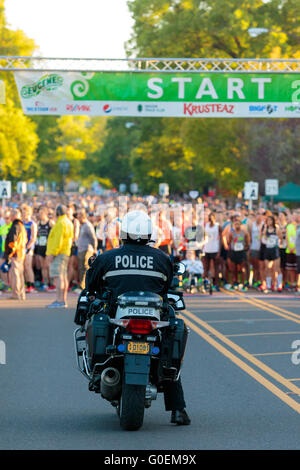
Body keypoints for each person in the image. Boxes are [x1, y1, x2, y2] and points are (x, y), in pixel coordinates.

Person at [84, 210, 191, 425]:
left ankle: (98, 371)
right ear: (150, 233)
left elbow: (90, 286)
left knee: (94, 317)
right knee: (167, 353)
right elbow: (169, 286)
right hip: (152, 318)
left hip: (119, 317)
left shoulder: (107, 257)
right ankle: (178, 410)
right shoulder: (162, 258)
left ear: (123, 233)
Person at [45, 205, 74, 308]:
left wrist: (52, 253)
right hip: (65, 252)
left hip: (59, 253)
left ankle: (59, 300)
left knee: (58, 277)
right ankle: (62, 300)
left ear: (57, 212)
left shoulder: (61, 223)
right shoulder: (68, 222)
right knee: (63, 277)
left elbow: (58, 241)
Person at [3, 208, 27, 300]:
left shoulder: (16, 226)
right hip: (21, 252)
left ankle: (16, 294)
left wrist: (9, 253)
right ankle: (21, 294)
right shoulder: (21, 225)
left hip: (16, 253)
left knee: (15, 273)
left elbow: (13, 241)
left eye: (11, 215)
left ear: (15, 216)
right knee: (20, 274)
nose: (10, 218)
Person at [76, 208, 98, 291]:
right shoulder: (83, 225)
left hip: (87, 250)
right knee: (81, 268)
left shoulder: (88, 225)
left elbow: (93, 238)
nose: (77, 219)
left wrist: (95, 249)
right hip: (82, 250)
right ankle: (82, 286)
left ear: (82, 217)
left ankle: (83, 287)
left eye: (78, 217)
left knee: (85, 267)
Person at [34, 206, 54, 290]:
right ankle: (45, 283)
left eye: (41, 213)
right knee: (43, 267)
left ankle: (52, 283)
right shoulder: (37, 223)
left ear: (45, 213)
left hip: (48, 248)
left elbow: (55, 235)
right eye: (39, 213)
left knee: (48, 266)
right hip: (40, 247)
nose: (40, 214)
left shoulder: (50, 223)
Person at [22, 204, 38, 293]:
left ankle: (32, 285)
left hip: (29, 248)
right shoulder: (22, 222)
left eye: (25, 213)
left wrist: (27, 248)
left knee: (28, 266)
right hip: (22, 248)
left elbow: (33, 238)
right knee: (24, 267)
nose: (24, 214)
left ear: (29, 213)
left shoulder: (32, 224)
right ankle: (27, 284)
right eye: (23, 213)